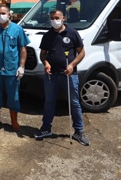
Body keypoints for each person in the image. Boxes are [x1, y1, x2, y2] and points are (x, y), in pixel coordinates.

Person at [34, 9, 89, 146]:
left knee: (74, 102)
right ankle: (46, 128)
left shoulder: (72, 33)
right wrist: (46, 63)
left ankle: (79, 131)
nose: (54, 20)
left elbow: (81, 53)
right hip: (51, 75)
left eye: (57, 17)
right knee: (49, 102)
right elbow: (43, 54)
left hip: (69, 74)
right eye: (52, 18)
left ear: (63, 18)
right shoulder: (47, 35)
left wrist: (72, 65)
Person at [0, 4, 30, 131]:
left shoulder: (17, 29)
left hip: (12, 69)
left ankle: (14, 121)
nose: (0, 16)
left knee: (13, 96)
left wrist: (22, 66)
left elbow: (23, 48)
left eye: (3, 13)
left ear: (9, 14)